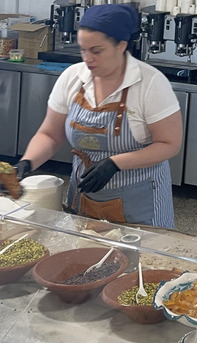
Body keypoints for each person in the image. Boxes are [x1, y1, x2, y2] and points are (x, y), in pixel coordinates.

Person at [14, 4, 182, 229]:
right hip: (85, 196)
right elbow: (50, 134)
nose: (87, 58)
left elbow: (169, 144)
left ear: (121, 45)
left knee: (143, 262)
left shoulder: (150, 83)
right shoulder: (73, 78)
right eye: (83, 49)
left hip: (139, 202)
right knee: (85, 258)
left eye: (97, 50)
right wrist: (28, 161)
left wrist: (115, 163)